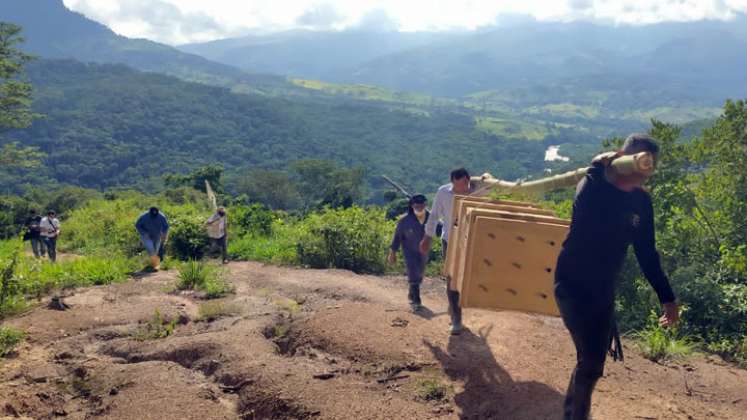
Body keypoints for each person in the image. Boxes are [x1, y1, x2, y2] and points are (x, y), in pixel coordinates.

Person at [554, 133, 680, 420]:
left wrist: (667, 298)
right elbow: (586, 207)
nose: (642, 171)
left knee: (592, 363)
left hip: (603, 290)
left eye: (649, 165)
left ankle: (571, 413)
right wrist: (600, 167)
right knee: (590, 360)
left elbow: (647, 254)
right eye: (637, 161)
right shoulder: (593, 184)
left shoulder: (641, 203)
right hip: (571, 285)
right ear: (623, 159)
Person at [420, 168, 474, 334]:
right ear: (452, 183)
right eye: (457, 186)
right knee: (452, 279)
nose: (461, 189)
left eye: (464, 185)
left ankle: (455, 306)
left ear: (468, 181)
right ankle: (457, 320)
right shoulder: (443, 192)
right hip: (449, 241)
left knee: (466, 279)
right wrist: (427, 238)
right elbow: (434, 215)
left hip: (472, 243)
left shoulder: (479, 192)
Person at [388, 194, 430, 312]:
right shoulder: (404, 220)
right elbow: (397, 237)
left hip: (423, 251)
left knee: (420, 273)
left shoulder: (430, 218)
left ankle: (411, 292)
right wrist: (393, 253)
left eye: (422, 206)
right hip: (409, 251)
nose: (420, 209)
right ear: (412, 206)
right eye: (417, 206)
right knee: (413, 272)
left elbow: (440, 229)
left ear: (425, 205)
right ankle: (416, 300)